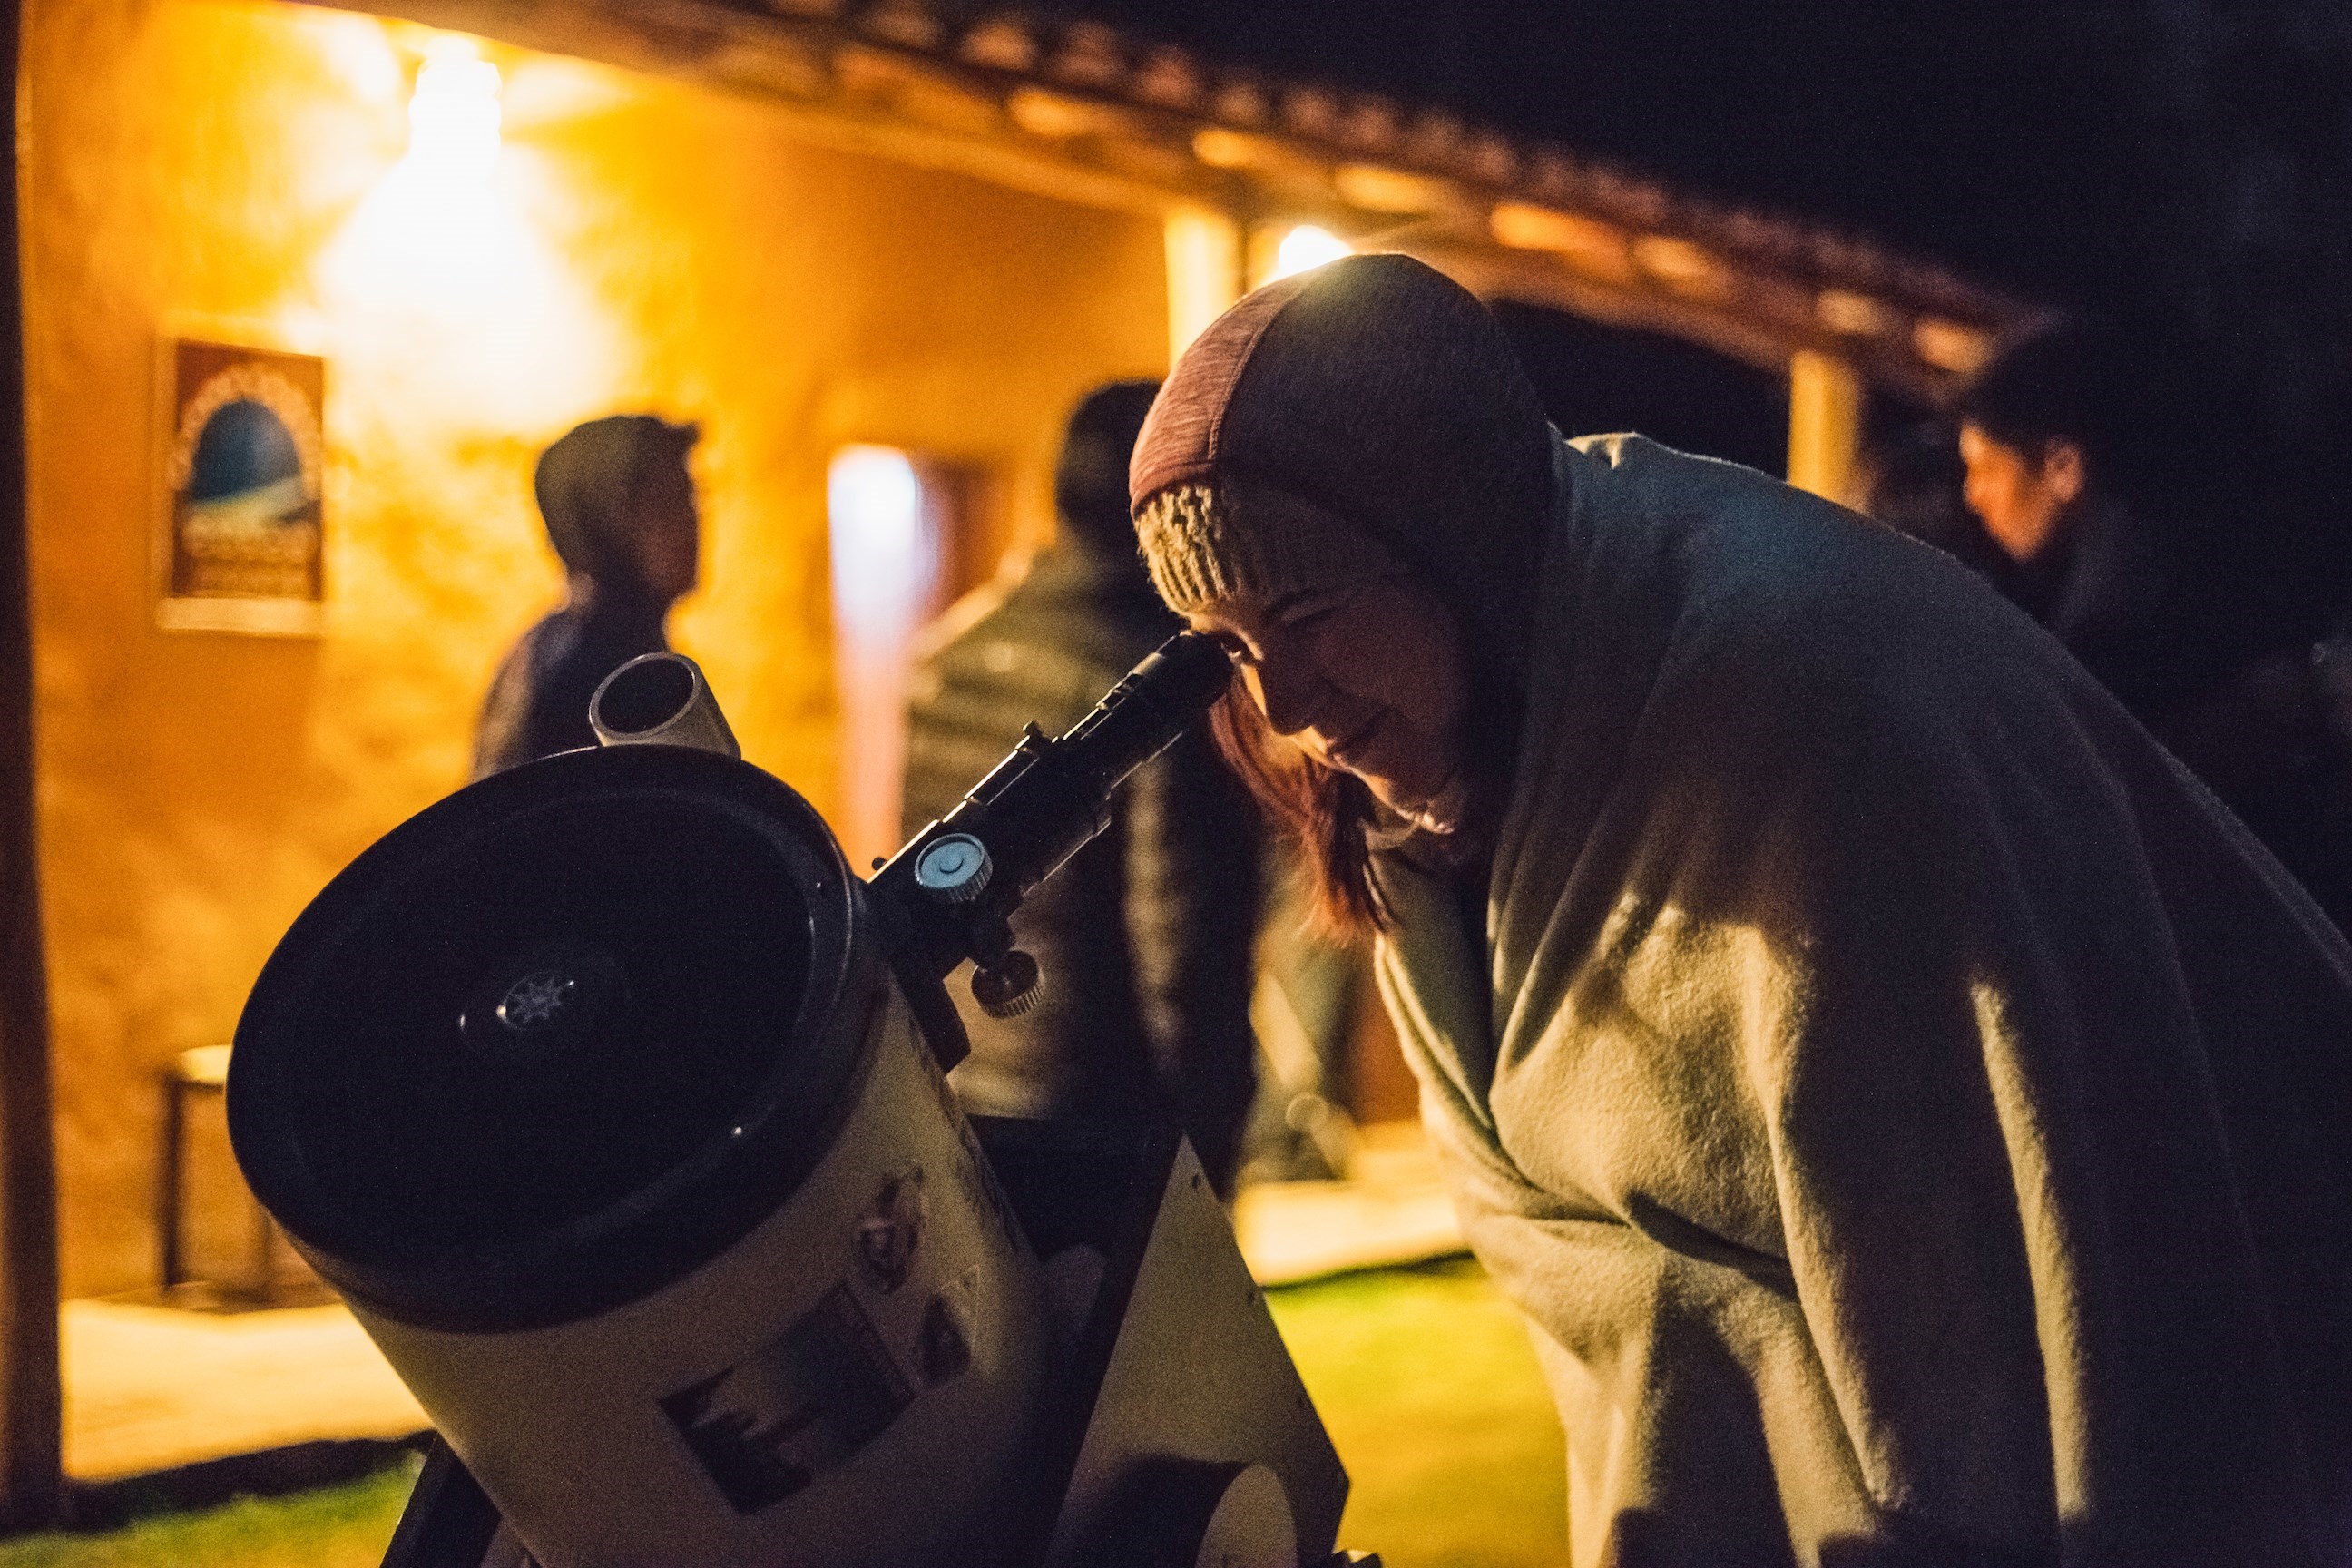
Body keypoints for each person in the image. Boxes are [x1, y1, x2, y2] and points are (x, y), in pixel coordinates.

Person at [1131, 253, 2352, 1563]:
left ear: (1462, 540)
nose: (1289, 711)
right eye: (1239, 651)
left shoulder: (1805, 712)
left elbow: (1980, 1352)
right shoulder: (1453, 786)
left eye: (1309, 612)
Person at [901, 382, 1261, 1192]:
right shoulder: (1154, 692)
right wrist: (1213, 1132)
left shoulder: (943, 658)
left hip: (968, 1078)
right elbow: (1182, 939)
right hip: (1107, 1111)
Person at [1957, 325, 2352, 932]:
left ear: (2063, 467)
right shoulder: (2176, 551)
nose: (1973, 494)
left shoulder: (2123, 601)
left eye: (1985, 467)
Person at [474, 415, 701, 776]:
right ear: (602, 527)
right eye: (666, 501)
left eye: (690, 495)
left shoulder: (558, 645)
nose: (692, 521)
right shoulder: (603, 672)